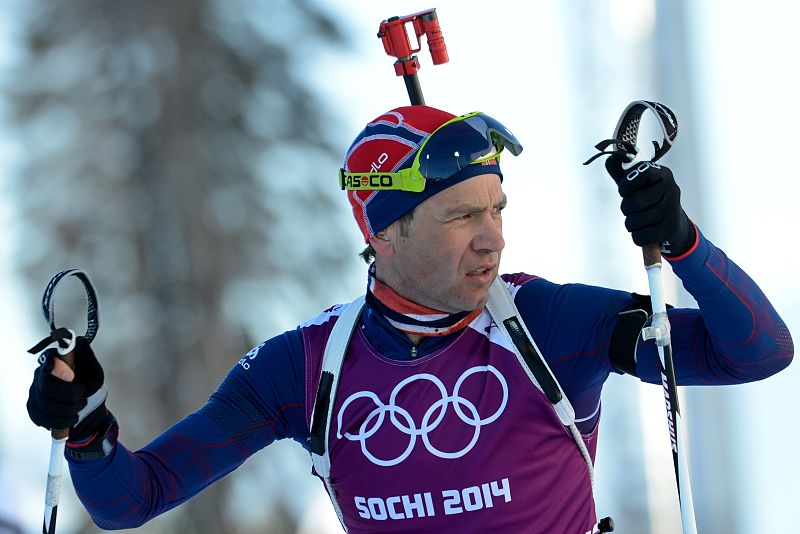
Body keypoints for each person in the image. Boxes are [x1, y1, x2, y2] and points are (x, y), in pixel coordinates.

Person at [27, 105, 793, 533]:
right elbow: (134, 499)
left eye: (498, 208)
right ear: (382, 232)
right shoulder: (301, 367)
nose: (493, 235)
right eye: (461, 215)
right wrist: (88, 427)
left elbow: (756, 352)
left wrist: (683, 241)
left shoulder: (548, 321)